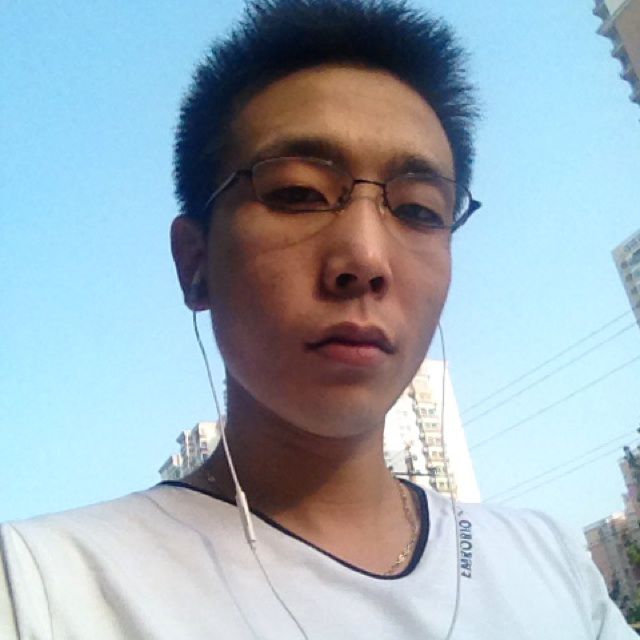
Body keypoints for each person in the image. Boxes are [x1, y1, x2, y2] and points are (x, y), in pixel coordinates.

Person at [0, 1, 634, 638]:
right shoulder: (44, 590)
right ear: (195, 263)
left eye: (417, 209)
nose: (365, 259)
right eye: (298, 193)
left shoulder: (549, 569)